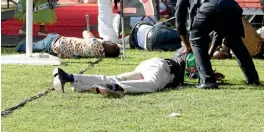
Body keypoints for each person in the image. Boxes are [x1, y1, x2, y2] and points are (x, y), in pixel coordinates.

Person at [175, 0, 260, 89]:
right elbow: (218, 33)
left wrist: (187, 45)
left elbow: (179, 21)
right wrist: (209, 55)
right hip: (233, 7)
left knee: (196, 41)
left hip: (209, 6)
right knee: (235, 42)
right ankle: (253, 78)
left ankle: (208, 81)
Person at [52, 47, 225, 97]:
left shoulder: (189, 51)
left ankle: (69, 77)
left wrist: (210, 74)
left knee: (115, 76)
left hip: (151, 64)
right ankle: (115, 87)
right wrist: (210, 75)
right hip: (163, 68)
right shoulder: (195, 53)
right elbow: (197, 73)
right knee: (152, 85)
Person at [16, 30, 120, 59]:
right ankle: (48, 36)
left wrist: (96, 38)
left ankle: (21, 46)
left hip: (57, 42)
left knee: (35, 46)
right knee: (45, 42)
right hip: (60, 47)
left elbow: (85, 32)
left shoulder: (95, 43)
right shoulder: (99, 53)